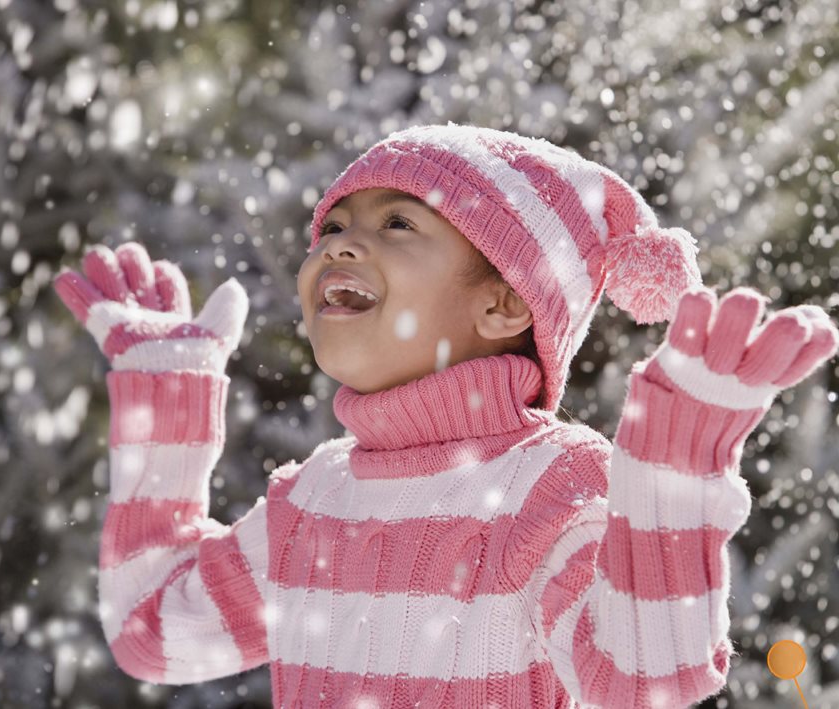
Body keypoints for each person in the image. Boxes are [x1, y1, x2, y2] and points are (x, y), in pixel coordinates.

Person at [53, 123, 838, 708]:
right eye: (332, 226)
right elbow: (151, 630)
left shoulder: (545, 486)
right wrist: (165, 391)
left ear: (501, 303)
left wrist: (673, 467)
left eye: (398, 223)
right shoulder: (315, 502)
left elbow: (644, 677)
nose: (341, 246)